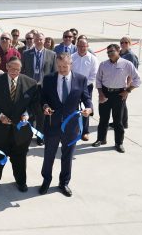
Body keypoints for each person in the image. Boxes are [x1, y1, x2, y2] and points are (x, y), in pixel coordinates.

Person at [0, 57, 39, 193]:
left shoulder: (31, 84)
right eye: (11, 68)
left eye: (17, 69)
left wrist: (27, 115)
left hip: (20, 132)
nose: (14, 71)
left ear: (21, 69)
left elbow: (34, 105)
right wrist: (0, 116)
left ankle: (21, 181)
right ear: (6, 67)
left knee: (19, 159)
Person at [39, 53, 92, 197]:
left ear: (71, 65)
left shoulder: (81, 79)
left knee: (67, 157)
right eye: (59, 66)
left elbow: (86, 98)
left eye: (65, 66)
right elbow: (43, 97)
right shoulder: (49, 79)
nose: (62, 69)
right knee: (49, 155)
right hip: (52, 124)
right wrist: (45, 106)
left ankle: (64, 183)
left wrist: (89, 108)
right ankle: (46, 180)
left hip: (71, 127)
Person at [93, 44, 141, 153]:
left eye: (112, 51)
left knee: (118, 121)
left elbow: (137, 80)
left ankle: (119, 143)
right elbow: (98, 80)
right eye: (108, 52)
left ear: (118, 50)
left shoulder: (127, 64)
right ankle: (101, 139)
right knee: (103, 119)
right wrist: (100, 93)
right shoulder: (103, 64)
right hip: (105, 93)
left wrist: (128, 91)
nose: (110, 54)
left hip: (119, 95)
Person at [21, 32, 57, 145]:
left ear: (44, 40)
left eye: (41, 39)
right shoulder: (26, 53)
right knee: (29, 112)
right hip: (30, 87)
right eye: (36, 39)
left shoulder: (52, 54)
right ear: (34, 40)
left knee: (41, 115)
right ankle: (28, 135)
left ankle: (40, 136)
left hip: (44, 88)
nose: (38, 41)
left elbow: (54, 73)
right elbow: (22, 71)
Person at [71, 38, 99, 141]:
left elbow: (94, 75)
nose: (82, 48)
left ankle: (85, 132)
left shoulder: (93, 59)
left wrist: (82, 85)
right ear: (77, 46)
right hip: (73, 87)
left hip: (87, 87)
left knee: (85, 109)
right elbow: (69, 72)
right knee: (73, 108)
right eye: (80, 46)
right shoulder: (72, 57)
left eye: (84, 46)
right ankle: (73, 130)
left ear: (87, 46)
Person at [116, 36, 139, 129]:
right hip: (118, 82)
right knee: (120, 103)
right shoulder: (120, 53)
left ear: (130, 43)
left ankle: (122, 123)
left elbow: (133, 73)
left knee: (121, 103)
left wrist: (128, 87)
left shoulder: (131, 56)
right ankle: (121, 121)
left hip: (125, 83)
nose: (124, 44)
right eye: (122, 43)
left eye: (126, 42)